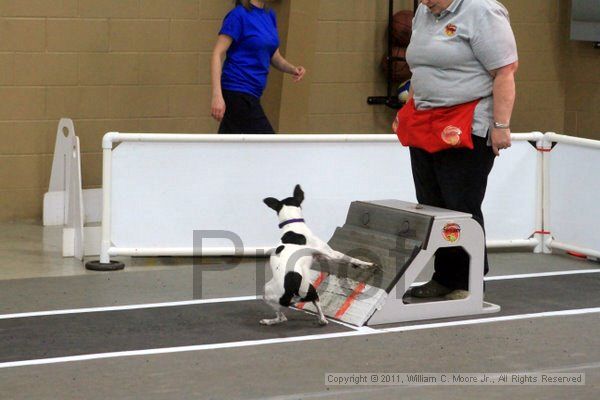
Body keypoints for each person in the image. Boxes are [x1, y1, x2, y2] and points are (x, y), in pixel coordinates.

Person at [394, 0, 518, 299]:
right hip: (426, 119)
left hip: (467, 122)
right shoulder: (425, 11)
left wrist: (501, 125)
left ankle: (469, 280)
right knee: (432, 204)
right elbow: (423, 68)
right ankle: (444, 277)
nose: (423, 0)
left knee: (460, 205)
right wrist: (409, 108)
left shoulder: (483, 11)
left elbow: (505, 72)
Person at [211, 0, 306, 133]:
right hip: (237, 90)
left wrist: (292, 69)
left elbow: (274, 55)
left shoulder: (270, 15)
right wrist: (217, 95)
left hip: (254, 93)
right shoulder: (238, 15)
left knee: (232, 145)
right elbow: (217, 53)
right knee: (267, 144)